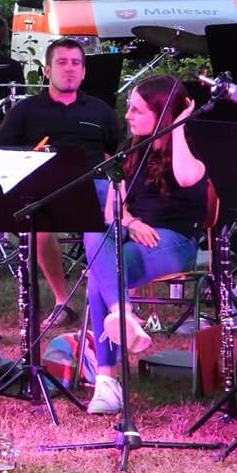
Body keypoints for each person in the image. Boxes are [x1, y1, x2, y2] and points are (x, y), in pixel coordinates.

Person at [82, 75, 207, 414]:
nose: (127, 115)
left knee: (99, 278)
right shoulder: (131, 149)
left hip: (174, 241)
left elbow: (186, 177)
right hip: (133, 232)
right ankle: (122, 312)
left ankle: (107, 381)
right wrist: (132, 222)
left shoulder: (193, 145)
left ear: (163, 114)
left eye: (136, 110)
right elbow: (112, 209)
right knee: (93, 234)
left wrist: (177, 126)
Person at [0, 39, 120, 326]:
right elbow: (1, 151)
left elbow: (120, 154)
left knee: (121, 214)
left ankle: (115, 299)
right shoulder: (25, 111)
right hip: (45, 188)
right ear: (47, 70)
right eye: (62, 62)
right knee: (38, 226)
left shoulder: (100, 111)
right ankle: (63, 301)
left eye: (76, 63)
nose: (70, 69)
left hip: (94, 185)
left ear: (84, 72)